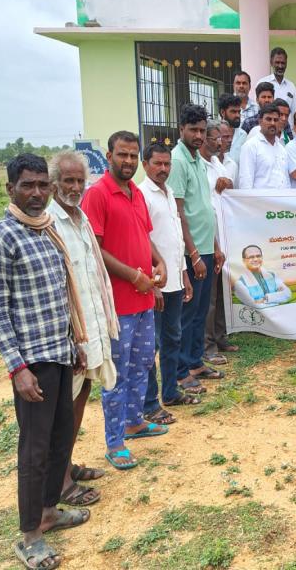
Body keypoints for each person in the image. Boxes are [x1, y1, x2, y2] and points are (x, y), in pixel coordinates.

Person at [0, 153, 91, 570]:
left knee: (61, 438)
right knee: (35, 450)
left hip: (60, 353)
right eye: (27, 185)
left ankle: (49, 511)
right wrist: (18, 368)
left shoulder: (46, 229)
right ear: (10, 188)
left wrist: (74, 341)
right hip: (33, 364)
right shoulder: (1, 237)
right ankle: (30, 536)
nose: (37, 193)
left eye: (43, 185)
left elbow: (60, 293)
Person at [81, 131, 170, 470]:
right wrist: (134, 276)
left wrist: (159, 262)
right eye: (123, 154)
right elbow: (95, 248)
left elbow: (144, 236)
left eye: (133, 155)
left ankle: (134, 422)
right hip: (117, 306)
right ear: (109, 156)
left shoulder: (136, 193)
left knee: (143, 362)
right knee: (116, 375)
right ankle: (115, 441)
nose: (129, 161)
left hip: (144, 300)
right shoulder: (98, 194)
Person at [47, 150, 118, 506]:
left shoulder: (81, 218)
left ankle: (67, 465)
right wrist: (69, 335)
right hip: (68, 334)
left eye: (80, 180)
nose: (75, 187)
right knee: (64, 406)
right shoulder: (50, 222)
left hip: (90, 325)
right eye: (68, 181)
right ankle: (59, 481)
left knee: (83, 392)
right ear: (54, 184)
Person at [166, 105, 227, 397]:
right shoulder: (178, 161)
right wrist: (192, 254)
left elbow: (204, 207)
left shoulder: (198, 160)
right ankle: (182, 371)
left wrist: (214, 247)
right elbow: (178, 212)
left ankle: (195, 362)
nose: (199, 135)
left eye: (202, 130)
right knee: (187, 315)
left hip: (206, 247)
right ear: (181, 130)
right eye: (193, 130)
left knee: (200, 312)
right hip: (191, 252)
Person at [137, 143, 198, 425]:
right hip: (156, 283)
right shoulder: (141, 195)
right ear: (145, 164)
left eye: (167, 164)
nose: (163, 169)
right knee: (151, 346)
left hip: (175, 279)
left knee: (173, 337)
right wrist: (153, 283)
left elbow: (175, 239)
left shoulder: (169, 192)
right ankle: (150, 403)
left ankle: (171, 392)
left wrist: (183, 273)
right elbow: (142, 241)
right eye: (157, 164)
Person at [199, 120, 238, 366]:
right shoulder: (198, 165)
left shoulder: (216, 162)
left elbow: (228, 189)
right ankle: (207, 345)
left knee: (223, 290)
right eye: (216, 138)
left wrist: (228, 183)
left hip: (224, 235)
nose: (221, 142)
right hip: (208, 237)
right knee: (210, 296)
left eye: (222, 138)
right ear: (205, 140)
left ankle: (221, 336)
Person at [238, 103, 289, 189]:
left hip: (282, 197)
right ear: (260, 121)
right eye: (269, 119)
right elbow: (245, 183)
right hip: (259, 198)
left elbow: (286, 180)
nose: (272, 123)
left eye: (276, 120)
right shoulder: (250, 146)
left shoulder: (282, 149)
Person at [258, 47, 296, 126]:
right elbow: (258, 110)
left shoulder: (291, 86)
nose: (280, 66)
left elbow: (294, 112)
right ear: (271, 63)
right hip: (268, 129)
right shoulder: (262, 83)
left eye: (283, 63)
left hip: (286, 130)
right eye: (277, 62)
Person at [218, 93, 247, 176]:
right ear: (223, 112)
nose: (237, 115)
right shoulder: (213, 133)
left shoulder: (243, 135)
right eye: (233, 112)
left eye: (239, 112)